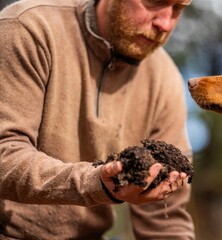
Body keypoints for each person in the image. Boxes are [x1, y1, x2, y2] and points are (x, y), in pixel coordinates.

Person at [0, 0, 195, 239]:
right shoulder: (30, 28)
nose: (165, 24)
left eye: (178, 8)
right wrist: (95, 182)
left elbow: (166, 218)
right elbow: (5, 152)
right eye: (154, 2)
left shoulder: (165, 79)